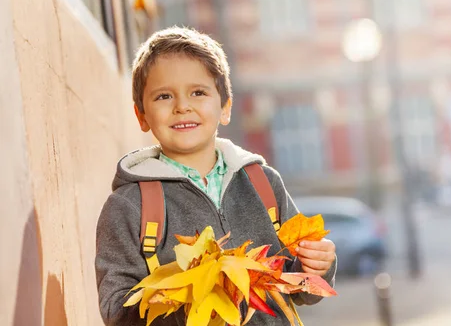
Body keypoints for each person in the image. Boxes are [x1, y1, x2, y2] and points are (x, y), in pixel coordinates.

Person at [95, 27, 337, 325]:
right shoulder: (129, 206)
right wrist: (191, 299)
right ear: (142, 115)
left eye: (198, 92)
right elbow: (115, 309)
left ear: (225, 107)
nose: (182, 106)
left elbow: (301, 289)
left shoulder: (264, 184)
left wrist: (317, 267)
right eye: (164, 96)